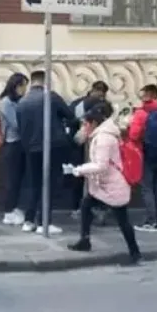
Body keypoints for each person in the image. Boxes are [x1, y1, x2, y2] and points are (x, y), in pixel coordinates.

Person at [67, 107, 141, 265]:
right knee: (86, 205)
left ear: (93, 123)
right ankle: (85, 240)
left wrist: (78, 170)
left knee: (122, 219)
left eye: (85, 124)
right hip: (106, 185)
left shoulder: (103, 139)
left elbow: (101, 166)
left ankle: (135, 252)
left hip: (113, 186)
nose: (83, 127)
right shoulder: (102, 135)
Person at [15, 70, 75, 235]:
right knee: (50, 184)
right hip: (52, 146)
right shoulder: (51, 97)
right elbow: (70, 115)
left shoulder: (22, 102)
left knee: (34, 184)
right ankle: (44, 223)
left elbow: (20, 127)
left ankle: (28, 220)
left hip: (31, 148)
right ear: (45, 81)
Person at [128, 84, 157, 232]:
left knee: (147, 187)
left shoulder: (141, 113)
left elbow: (134, 135)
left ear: (147, 95)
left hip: (146, 153)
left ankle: (151, 221)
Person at [67, 81, 109, 216]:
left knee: (81, 176)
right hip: (88, 145)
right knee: (87, 176)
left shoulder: (78, 103)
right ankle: (88, 207)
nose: (101, 97)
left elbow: (69, 121)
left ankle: (78, 207)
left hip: (81, 145)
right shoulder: (100, 105)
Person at [0, 73, 28, 226]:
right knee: (12, 179)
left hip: (20, 143)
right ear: (15, 86)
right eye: (23, 86)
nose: (24, 89)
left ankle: (15, 208)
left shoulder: (19, 101)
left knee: (19, 179)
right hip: (12, 143)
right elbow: (15, 123)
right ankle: (8, 211)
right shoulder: (6, 102)